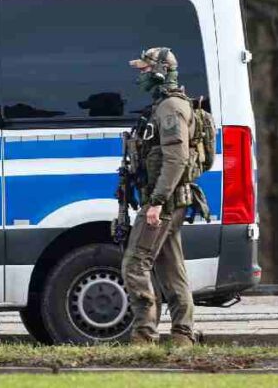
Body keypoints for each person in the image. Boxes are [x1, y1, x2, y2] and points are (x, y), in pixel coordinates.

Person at [122, 47, 196, 346]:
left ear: (160, 71)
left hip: (163, 203)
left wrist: (156, 202)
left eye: (144, 69)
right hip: (167, 201)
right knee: (170, 268)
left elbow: (177, 158)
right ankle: (182, 336)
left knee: (134, 263)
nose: (140, 74)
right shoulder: (165, 105)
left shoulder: (170, 108)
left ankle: (144, 333)